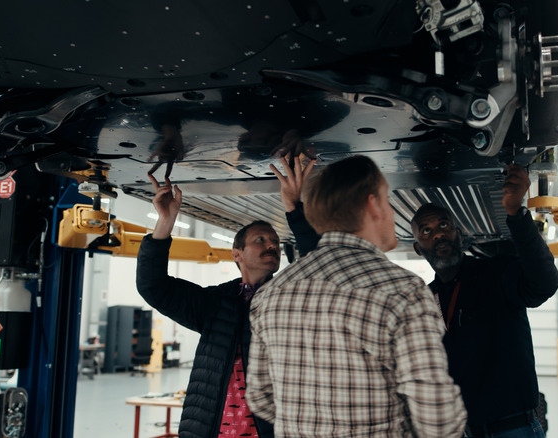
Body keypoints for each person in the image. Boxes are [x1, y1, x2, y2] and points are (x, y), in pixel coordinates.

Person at [246, 155, 467, 437]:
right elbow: (437, 418)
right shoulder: (402, 291)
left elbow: (261, 398)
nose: (391, 213)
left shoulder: (270, 294)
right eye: (387, 201)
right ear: (373, 204)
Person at [136, 155, 315, 438]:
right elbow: (153, 286)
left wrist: (294, 207)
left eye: (275, 242)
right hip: (210, 429)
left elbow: (322, 267)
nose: (272, 245)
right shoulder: (215, 304)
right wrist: (165, 222)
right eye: (261, 240)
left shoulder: (291, 299)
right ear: (237, 255)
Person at [409, 163, 558, 438]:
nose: (439, 234)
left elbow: (544, 284)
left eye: (444, 225)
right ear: (418, 248)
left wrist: (516, 214)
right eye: (427, 231)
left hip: (513, 429)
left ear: (459, 233)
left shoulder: (496, 274)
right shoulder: (424, 300)